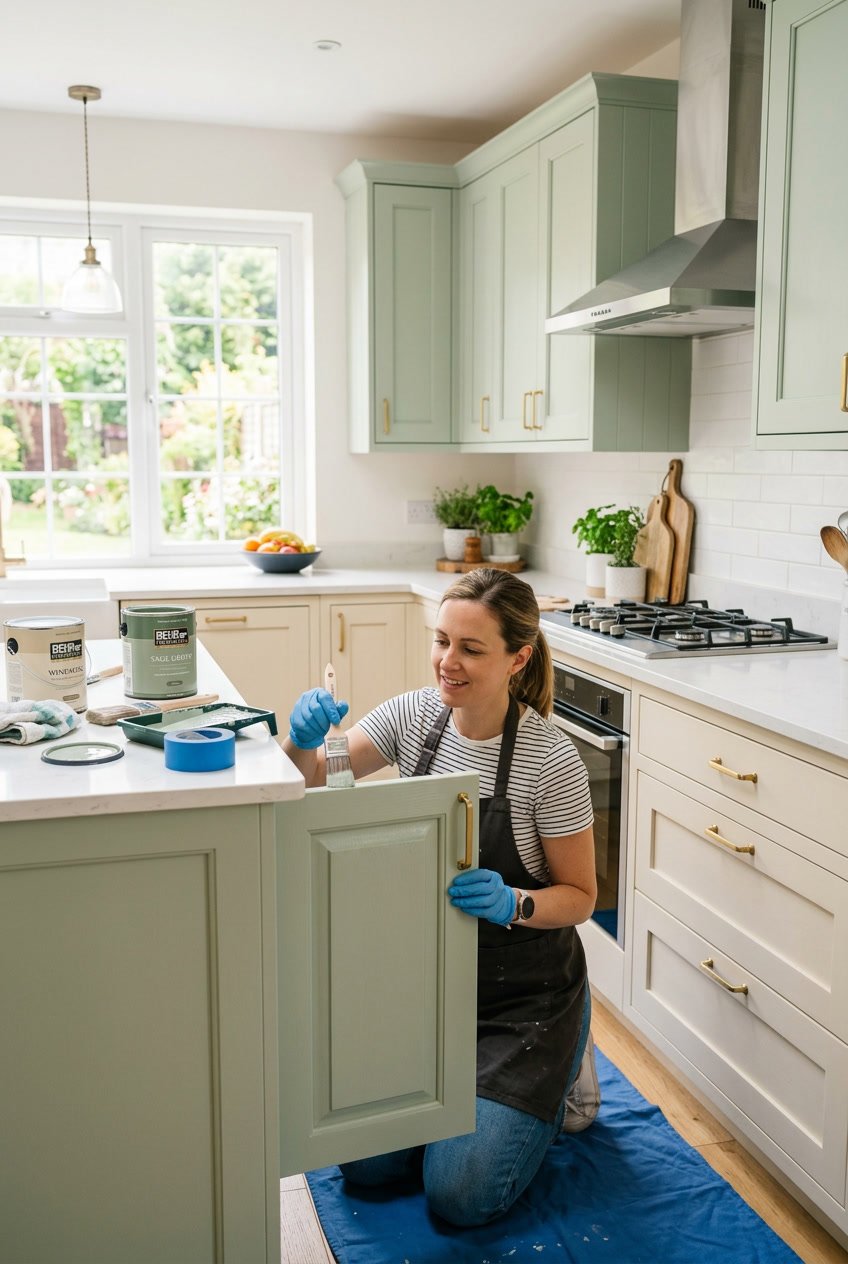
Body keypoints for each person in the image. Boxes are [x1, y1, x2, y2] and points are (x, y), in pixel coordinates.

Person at [283, 568, 598, 1227]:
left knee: (458, 1196)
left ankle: (564, 1069)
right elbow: (314, 787)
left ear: (518, 657)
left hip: (523, 1002)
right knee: (367, 1170)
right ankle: (467, 1103)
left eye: (470, 649)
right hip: (426, 987)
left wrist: (515, 901)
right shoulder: (413, 718)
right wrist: (302, 740)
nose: (447, 662)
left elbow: (581, 897)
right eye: (441, 640)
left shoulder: (550, 760)